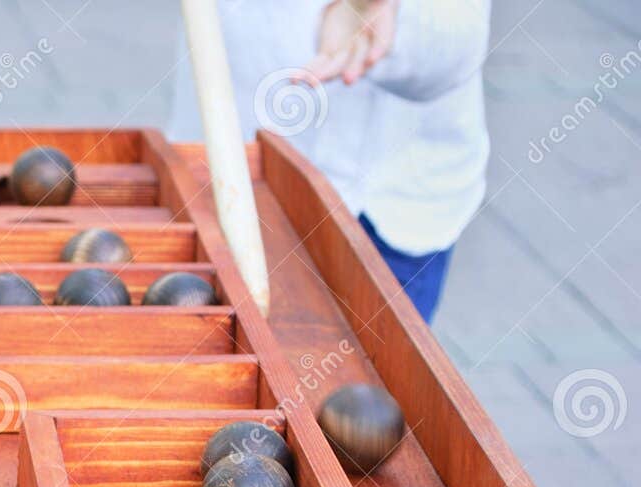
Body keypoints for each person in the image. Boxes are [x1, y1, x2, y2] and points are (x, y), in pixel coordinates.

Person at [168, 0, 492, 322]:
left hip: (390, 207)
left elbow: (457, 38)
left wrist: (385, 23)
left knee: (376, 366)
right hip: (225, 176)